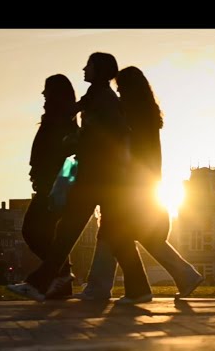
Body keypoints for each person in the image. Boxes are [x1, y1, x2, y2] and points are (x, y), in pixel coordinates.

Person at [8, 52, 152, 303]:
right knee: (108, 234)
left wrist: (75, 141)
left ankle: (41, 283)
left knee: (70, 231)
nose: (84, 69)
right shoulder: (97, 96)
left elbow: (109, 134)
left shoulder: (103, 98)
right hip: (100, 177)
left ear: (99, 69)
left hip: (98, 178)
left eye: (89, 65)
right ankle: (139, 288)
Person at [78, 65, 203, 303]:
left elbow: (125, 147)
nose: (120, 93)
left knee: (116, 233)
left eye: (121, 89)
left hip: (130, 185)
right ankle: (184, 275)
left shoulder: (131, 115)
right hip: (144, 183)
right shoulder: (148, 113)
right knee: (132, 235)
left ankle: (110, 287)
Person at [19, 75, 79, 298]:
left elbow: (62, 155)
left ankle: (61, 274)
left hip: (52, 186)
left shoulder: (60, 121)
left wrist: (52, 180)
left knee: (32, 232)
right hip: (49, 183)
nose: (43, 95)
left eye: (47, 91)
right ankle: (62, 286)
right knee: (48, 235)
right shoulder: (58, 119)